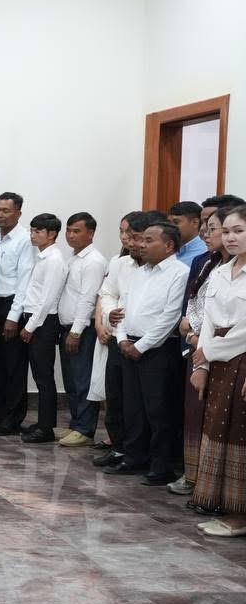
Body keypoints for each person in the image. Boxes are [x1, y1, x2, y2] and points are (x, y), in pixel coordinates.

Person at [109, 221, 190, 485]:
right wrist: (122, 339)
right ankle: (134, 457)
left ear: (169, 245)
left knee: (158, 410)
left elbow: (170, 317)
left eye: (148, 240)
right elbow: (123, 307)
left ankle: (161, 465)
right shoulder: (139, 272)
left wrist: (141, 346)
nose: (141, 245)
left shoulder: (179, 273)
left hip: (157, 350)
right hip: (128, 345)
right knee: (133, 408)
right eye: (141, 240)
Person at [188, 205, 246, 537]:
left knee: (239, 432)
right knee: (217, 429)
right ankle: (223, 505)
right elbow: (208, 320)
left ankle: (241, 514)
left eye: (239, 231)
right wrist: (202, 363)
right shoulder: (221, 272)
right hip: (217, 360)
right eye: (226, 231)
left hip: (241, 359)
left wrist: (210, 350)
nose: (230, 237)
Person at [173, 205, 234, 495]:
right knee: (195, 413)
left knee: (219, 419)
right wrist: (193, 333)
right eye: (205, 229)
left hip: (225, 351)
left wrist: (204, 339)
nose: (205, 235)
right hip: (197, 346)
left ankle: (215, 486)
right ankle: (193, 477)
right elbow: (196, 302)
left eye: (213, 229)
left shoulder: (234, 269)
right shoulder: (207, 263)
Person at [93, 211, 152, 468]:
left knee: (136, 400)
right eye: (125, 234)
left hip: (144, 341)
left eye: (134, 235)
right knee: (114, 395)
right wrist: (109, 312)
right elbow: (107, 293)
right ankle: (118, 447)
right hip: (118, 337)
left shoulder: (157, 267)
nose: (128, 240)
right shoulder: (120, 263)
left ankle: (136, 452)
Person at [0, 192, 36, 435]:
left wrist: (13, 317)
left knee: (13, 366)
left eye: (5, 210)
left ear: (18, 213)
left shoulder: (25, 240)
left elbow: (25, 281)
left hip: (12, 306)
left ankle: (13, 418)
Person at [55, 212, 109, 448]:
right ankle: (75, 424)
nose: (70, 235)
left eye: (76, 231)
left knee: (83, 380)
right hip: (67, 328)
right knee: (71, 380)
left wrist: (76, 332)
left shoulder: (93, 261)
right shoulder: (74, 258)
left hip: (82, 330)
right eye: (68, 230)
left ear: (91, 234)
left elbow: (88, 299)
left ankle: (85, 429)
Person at [17, 214, 68, 444]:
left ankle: (46, 428)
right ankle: (42, 423)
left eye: (38, 231)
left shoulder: (54, 260)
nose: (33, 235)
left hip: (43, 322)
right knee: (39, 375)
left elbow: (47, 300)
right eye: (32, 230)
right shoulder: (42, 256)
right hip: (35, 319)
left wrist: (29, 326)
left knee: (44, 376)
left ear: (52, 234)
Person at [170, 201, 208, 267]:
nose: (170, 226)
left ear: (195, 222)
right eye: (168, 222)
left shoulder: (204, 251)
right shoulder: (168, 248)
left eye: (176, 222)